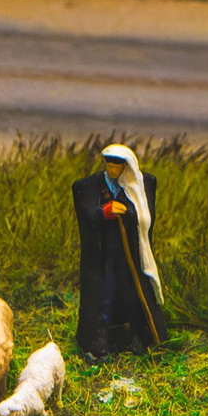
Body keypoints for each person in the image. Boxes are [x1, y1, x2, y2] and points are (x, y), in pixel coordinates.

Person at [72, 144, 166, 359]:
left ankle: (137, 336)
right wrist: (104, 211)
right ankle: (100, 340)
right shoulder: (89, 185)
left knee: (132, 293)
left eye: (118, 167)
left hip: (129, 256)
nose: (113, 171)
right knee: (104, 294)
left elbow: (145, 216)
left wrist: (128, 211)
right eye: (109, 166)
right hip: (104, 255)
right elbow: (86, 214)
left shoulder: (141, 184)